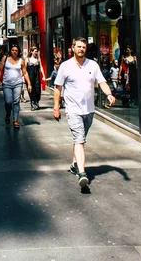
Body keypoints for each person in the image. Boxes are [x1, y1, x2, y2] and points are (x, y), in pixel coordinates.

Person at [53, 37, 115, 189]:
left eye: (83, 47)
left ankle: (75, 164)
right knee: (79, 139)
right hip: (73, 110)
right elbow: (58, 88)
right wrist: (56, 107)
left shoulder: (92, 65)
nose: (81, 49)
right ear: (73, 48)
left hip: (89, 110)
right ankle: (82, 173)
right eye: (78, 47)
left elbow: (101, 82)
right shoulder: (65, 66)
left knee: (80, 138)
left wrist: (109, 94)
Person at [0, 44, 32, 128]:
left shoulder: (21, 61)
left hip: (18, 83)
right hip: (6, 84)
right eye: (13, 50)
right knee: (8, 102)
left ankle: (15, 120)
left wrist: (29, 84)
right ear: (10, 51)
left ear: (18, 52)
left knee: (16, 102)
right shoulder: (5, 59)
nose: (14, 52)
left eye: (16, 50)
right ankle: (8, 114)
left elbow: (25, 72)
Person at [26, 46, 46, 110]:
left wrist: (43, 75)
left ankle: (37, 102)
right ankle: (32, 103)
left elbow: (41, 67)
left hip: (37, 76)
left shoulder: (38, 59)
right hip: (30, 76)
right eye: (35, 51)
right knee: (31, 90)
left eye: (37, 51)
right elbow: (24, 69)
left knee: (37, 89)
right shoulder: (27, 59)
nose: (36, 53)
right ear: (31, 52)